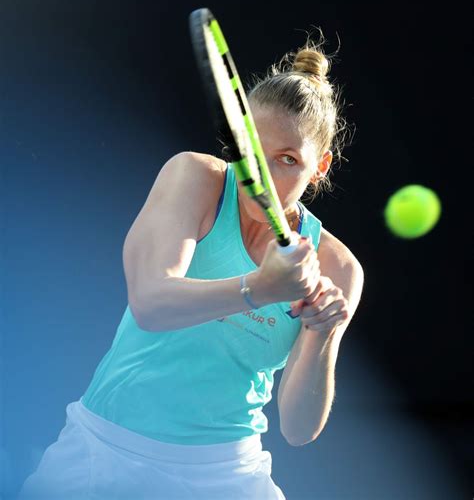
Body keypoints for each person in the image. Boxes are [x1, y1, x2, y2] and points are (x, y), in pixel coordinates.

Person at [18, 35, 364, 499]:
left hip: (227, 472)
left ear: (319, 167)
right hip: (105, 451)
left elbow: (299, 430)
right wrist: (261, 287)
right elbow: (151, 304)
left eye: (287, 160)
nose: (259, 175)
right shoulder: (193, 178)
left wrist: (321, 331)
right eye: (251, 151)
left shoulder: (338, 267)